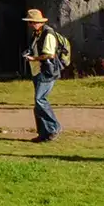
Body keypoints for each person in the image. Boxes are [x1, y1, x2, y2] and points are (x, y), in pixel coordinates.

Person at [22, 8, 67, 143]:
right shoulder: (37, 34)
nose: (30, 25)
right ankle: (43, 133)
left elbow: (50, 55)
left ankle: (54, 127)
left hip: (47, 71)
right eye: (29, 22)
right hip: (38, 70)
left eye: (32, 22)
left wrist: (33, 59)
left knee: (40, 99)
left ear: (38, 22)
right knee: (38, 103)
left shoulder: (48, 34)